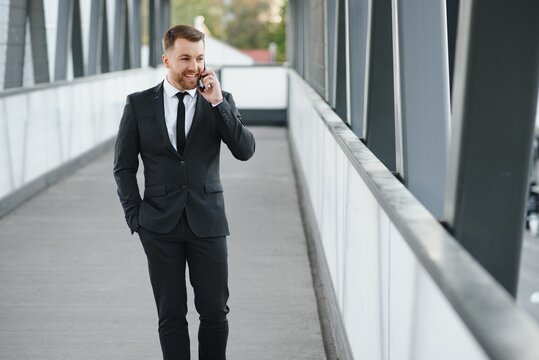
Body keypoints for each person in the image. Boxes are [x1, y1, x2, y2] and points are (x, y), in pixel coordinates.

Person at [113, 24, 255, 360]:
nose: (194, 66)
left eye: (200, 58)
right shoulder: (138, 105)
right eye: (185, 58)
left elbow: (245, 150)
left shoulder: (219, 101)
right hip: (159, 226)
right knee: (171, 315)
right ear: (166, 59)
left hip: (208, 223)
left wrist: (219, 102)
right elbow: (124, 167)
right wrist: (136, 218)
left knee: (215, 312)